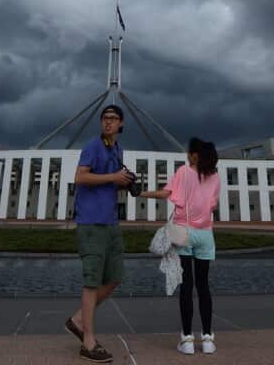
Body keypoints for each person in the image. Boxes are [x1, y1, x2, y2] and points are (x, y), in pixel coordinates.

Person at [66, 104, 135, 364]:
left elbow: (111, 180)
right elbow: (80, 178)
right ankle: (88, 342)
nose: (108, 122)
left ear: (121, 124)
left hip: (110, 222)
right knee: (91, 281)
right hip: (91, 222)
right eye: (104, 118)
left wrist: (124, 182)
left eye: (113, 118)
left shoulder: (116, 150)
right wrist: (112, 177)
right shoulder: (93, 146)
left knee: (115, 277)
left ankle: (77, 320)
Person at [140, 137, 221, 355]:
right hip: (205, 234)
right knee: (203, 286)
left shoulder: (183, 172)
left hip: (182, 231)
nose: (187, 155)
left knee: (186, 286)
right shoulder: (215, 176)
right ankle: (207, 339)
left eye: (189, 152)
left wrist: (140, 192)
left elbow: (166, 194)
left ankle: (186, 340)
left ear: (195, 155)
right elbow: (212, 204)